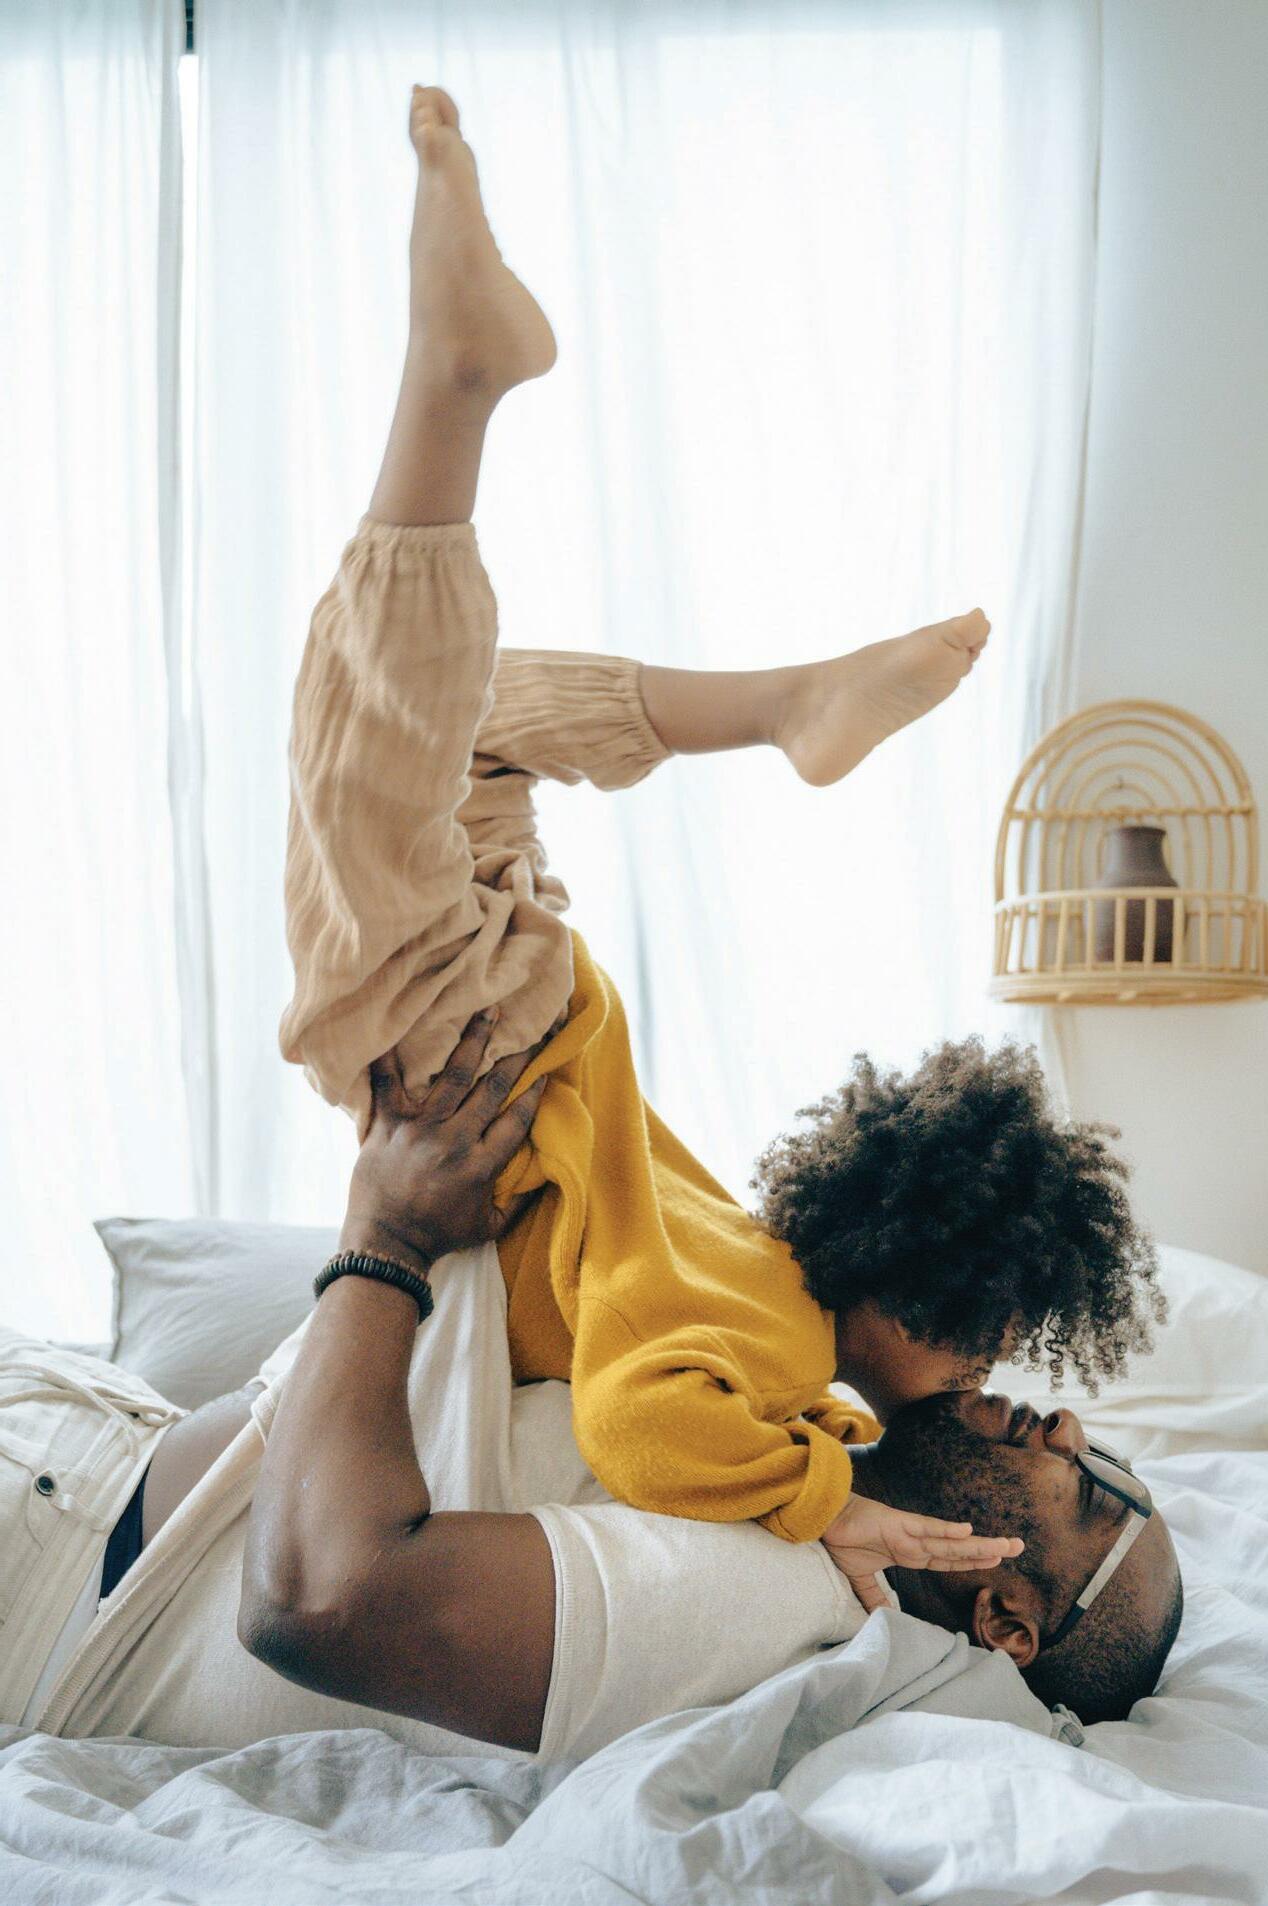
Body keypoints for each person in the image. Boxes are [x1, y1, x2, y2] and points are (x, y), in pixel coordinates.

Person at [276, 83, 1164, 1600]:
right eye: (989, 1338)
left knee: (441, 719)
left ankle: (777, 706)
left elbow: (645, 1406)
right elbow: (638, 1424)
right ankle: (454, 381)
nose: (989, 1374)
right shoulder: (774, 1341)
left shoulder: (766, 1290)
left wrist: (823, 1470)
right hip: (472, 1064)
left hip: (529, 1033)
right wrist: (824, 1495)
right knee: (364, 736)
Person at [1, 1031, 1182, 1751]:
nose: (1069, 1427)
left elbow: (320, 1600)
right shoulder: (778, 1444)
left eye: (1095, 1489)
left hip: (54, 1554)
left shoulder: (765, 1591)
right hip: (86, 1431)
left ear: (1007, 1622)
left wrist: (383, 1242)